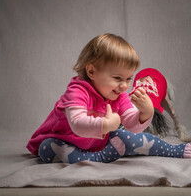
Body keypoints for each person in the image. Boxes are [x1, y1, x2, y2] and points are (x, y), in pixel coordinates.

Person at [26, 33, 191, 164]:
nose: (125, 86)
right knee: (47, 149)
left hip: (98, 142)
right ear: (91, 72)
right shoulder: (77, 91)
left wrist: (145, 113)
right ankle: (98, 157)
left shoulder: (119, 96)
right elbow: (77, 124)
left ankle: (172, 150)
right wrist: (105, 125)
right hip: (67, 141)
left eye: (128, 79)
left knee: (128, 136)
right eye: (118, 78)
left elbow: (131, 125)